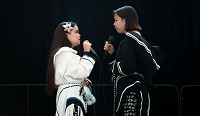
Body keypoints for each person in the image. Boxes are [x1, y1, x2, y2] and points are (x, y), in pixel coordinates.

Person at [103, 6, 166, 116]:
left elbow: (127, 67)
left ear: (125, 20)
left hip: (130, 92)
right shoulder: (135, 39)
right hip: (135, 89)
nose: (114, 24)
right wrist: (113, 53)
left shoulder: (129, 40)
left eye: (116, 20)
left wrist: (113, 67)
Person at [46, 21, 96, 116]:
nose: (79, 35)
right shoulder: (64, 53)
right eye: (76, 32)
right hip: (71, 94)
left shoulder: (66, 54)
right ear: (66, 34)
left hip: (71, 93)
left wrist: (84, 82)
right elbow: (82, 71)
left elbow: (74, 75)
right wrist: (86, 53)